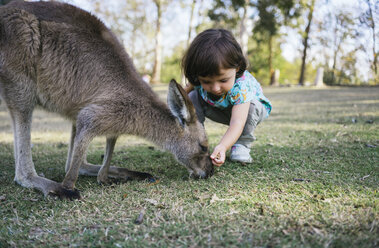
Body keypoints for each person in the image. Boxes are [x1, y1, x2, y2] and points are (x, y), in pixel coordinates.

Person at [182, 28, 272, 167]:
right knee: (193, 97)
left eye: (223, 80)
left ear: (237, 67)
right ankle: (196, 140)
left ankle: (241, 144)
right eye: (206, 81)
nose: (215, 88)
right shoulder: (197, 80)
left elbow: (237, 122)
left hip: (248, 113)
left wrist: (223, 146)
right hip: (220, 110)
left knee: (252, 106)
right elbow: (182, 94)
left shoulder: (241, 86)